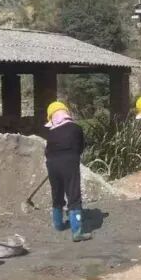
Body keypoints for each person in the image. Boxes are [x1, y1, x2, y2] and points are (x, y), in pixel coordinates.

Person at [44, 100, 91, 242]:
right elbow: (80, 147)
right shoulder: (76, 128)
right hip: (69, 162)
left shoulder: (51, 132)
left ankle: (58, 224)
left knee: (57, 192)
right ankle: (77, 231)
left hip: (52, 164)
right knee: (73, 194)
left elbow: (47, 151)